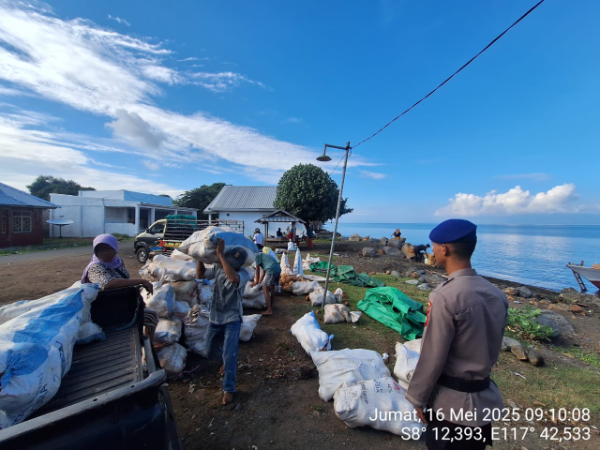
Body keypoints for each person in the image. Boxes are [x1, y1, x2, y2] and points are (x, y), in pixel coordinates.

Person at [406, 219, 508, 450]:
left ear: (444, 249)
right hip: (483, 404)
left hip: (451, 408)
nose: (432, 251)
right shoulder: (496, 294)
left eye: (434, 246)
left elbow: (433, 355)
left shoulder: (445, 296)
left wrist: (417, 398)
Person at [196, 238, 249, 406]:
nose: (230, 263)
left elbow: (233, 279)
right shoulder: (219, 267)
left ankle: (229, 388)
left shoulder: (244, 274)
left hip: (232, 318)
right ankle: (225, 362)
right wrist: (200, 257)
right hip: (215, 316)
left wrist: (220, 255)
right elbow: (200, 275)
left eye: (234, 262)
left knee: (230, 354)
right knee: (208, 351)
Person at [82, 234, 153, 294]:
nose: (105, 252)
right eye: (100, 250)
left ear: (115, 248)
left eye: (108, 249)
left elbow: (124, 279)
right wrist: (141, 281)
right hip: (103, 302)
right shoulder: (95, 267)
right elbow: (108, 284)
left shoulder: (118, 261)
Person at [251, 252, 281, 316]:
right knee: (272, 287)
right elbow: (264, 272)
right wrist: (259, 282)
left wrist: (256, 282)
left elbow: (257, 269)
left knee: (265, 289)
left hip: (271, 270)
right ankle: (271, 306)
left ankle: (269, 310)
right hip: (278, 269)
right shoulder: (264, 257)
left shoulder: (257, 256)